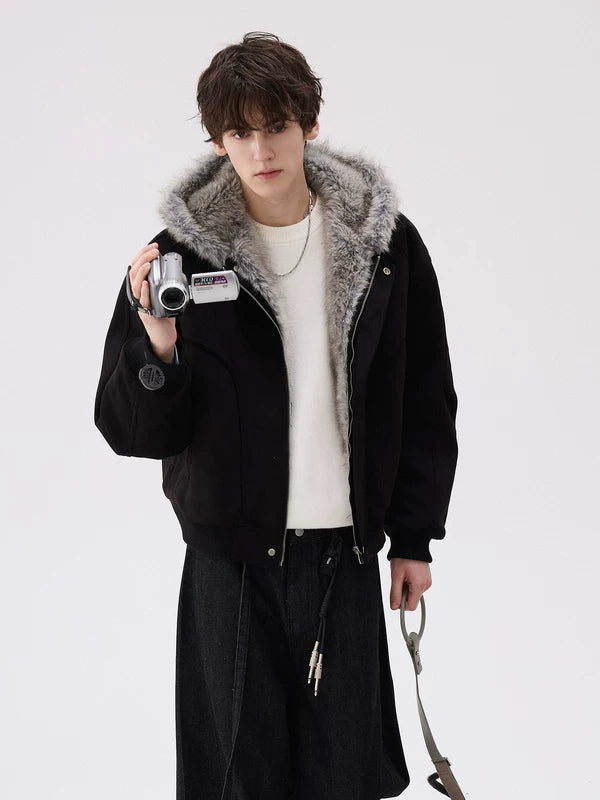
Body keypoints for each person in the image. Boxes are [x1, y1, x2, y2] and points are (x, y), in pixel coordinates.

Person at [95, 31, 458, 800]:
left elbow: (427, 398)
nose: (260, 150)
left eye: (276, 126)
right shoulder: (178, 259)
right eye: (239, 133)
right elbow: (133, 433)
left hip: (345, 559)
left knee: (345, 778)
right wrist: (157, 343)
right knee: (236, 780)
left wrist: (413, 537)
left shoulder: (384, 245)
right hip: (228, 565)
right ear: (217, 140)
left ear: (310, 123)